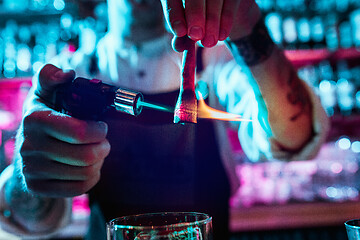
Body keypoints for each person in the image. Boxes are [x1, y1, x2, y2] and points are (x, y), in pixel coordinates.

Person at [0, 0, 329, 239]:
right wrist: (27, 173)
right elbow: (35, 222)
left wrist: (248, 32)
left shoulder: (215, 59)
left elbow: (293, 138)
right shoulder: (73, 77)